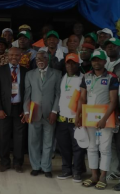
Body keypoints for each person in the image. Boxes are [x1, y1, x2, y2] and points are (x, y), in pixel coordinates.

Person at [75, 50, 118, 190]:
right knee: (91, 147)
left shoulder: (112, 77)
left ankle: (102, 178)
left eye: (99, 60)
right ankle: (93, 176)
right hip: (89, 118)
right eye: (94, 60)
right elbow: (82, 98)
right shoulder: (86, 76)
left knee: (105, 149)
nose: (96, 62)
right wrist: (78, 116)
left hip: (106, 119)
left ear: (104, 62)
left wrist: (104, 119)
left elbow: (113, 101)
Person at [24, 50, 61, 178]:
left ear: (48, 59)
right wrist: (26, 111)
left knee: (48, 142)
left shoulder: (57, 74)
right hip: (34, 113)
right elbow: (27, 96)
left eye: (43, 58)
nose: (40, 60)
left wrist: (54, 111)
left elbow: (58, 94)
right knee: (33, 142)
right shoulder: (29, 74)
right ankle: (35, 167)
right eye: (37, 58)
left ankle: (46, 167)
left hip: (50, 113)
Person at [0, 47, 27, 173]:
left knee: (20, 137)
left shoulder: (25, 71)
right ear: (7, 55)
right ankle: (4, 162)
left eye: (17, 55)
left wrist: (26, 109)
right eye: (11, 54)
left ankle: (18, 163)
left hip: (20, 108)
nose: (14, 57)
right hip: (4, 109)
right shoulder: (0, 70)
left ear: (21, 56)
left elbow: (28, 92)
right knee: (3, 136)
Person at [56, 53, 86, 183]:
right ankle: (66, 169)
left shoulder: (83, 78)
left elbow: (84, 99)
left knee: (78, 147)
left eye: (74, 63)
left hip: (76, 119)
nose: (70, 65)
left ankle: (77, 171)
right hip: (62, 119)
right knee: (64, 147)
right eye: (68, 63)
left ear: (78, 64)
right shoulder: (63, 77)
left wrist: (80, 116)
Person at [104, 38, 120, 191]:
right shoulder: (106, 64)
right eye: (108, 46)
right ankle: (115, 171)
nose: (110, 48)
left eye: (114, 45)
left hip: (118, 109)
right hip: (107, 111)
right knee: (112, 144)